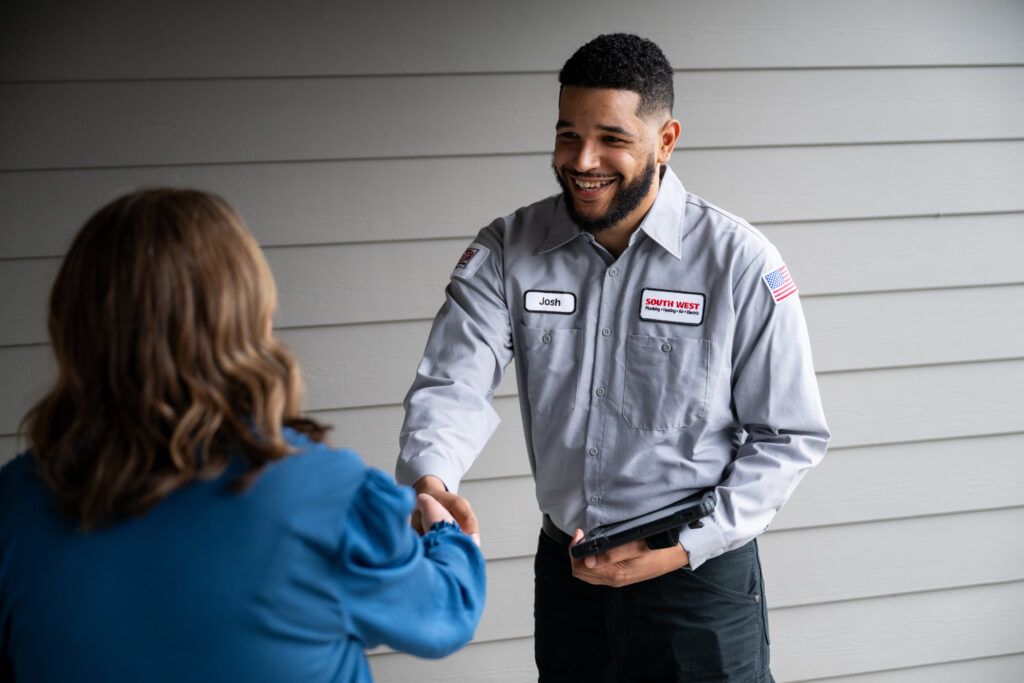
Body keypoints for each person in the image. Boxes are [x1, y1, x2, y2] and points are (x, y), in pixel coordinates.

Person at [397, 33, 829, 681]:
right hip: (570, 574)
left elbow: (789, 435)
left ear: (666, 140)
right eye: (568, 135)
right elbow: (453, 380)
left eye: (612, 139)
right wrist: (432, 478)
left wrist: (681, 549)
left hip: (695, 577)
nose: (583, 159)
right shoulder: (509, 247)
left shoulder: (739, 262)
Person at [0, 189, 485, 683]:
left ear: (73, 322)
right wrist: (446, 535)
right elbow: (447, 613)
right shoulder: (328, 497)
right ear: (248, 316)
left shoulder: (13, 504)